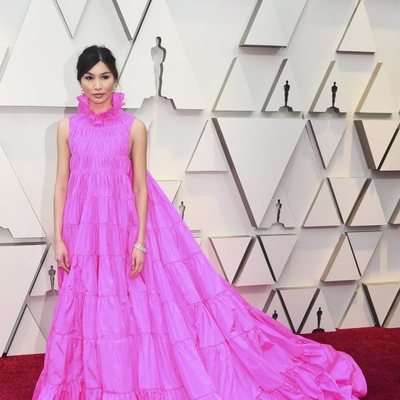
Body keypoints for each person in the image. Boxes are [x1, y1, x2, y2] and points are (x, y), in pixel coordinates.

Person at [32, 45, 367, 399]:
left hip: (125, 226)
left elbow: (140, 187)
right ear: (79, 81)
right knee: (91, 306)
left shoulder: (135, 128)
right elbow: (60, 184)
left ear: (115, 79)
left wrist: (141, 240)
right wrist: (59, 238)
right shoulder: (66, 128)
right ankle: (95, 380)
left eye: (105, 77)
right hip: (82, 230)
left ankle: (126, 381)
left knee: (132, 307)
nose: (97, 86)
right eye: (89, 78)